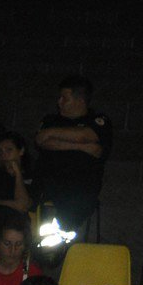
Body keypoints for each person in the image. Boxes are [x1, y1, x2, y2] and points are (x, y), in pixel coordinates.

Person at [34, 75, 113, 236]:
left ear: (80, 100)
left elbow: (87, 135)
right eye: (60, 97)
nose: (60, 102)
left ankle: (64, 236)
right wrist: (80, 147)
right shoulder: (51, 120)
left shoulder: (98, 120)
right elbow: (42, 140)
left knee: (77, 203)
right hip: (49, 182)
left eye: (65, 98)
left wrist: (57, 138)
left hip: (81, 187)